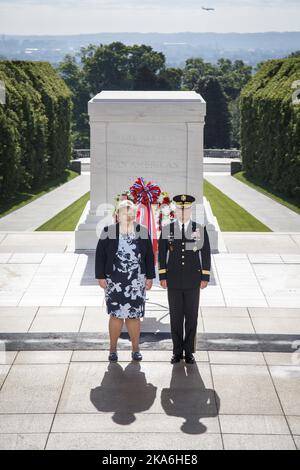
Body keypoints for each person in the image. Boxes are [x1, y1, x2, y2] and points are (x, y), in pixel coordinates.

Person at [95, 200, 155, 362]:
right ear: (117, 215)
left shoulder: (141, 231)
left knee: (133, 316)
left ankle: (136, 349)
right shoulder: (109, 231)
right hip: (114, 281)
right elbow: (100, 255)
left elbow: (149, 255)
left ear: (135, 215)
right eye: (124, 213)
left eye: (130, 214)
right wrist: (100, 276)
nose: (127, 217)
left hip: (136, 281)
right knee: (116, 316)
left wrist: (150, 277)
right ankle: (112, 349)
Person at [158, 194, 211, 364]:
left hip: (192, 280)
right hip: (173, 280)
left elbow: (205, 253)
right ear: (175, 210)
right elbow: (161, 254)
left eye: (186, 209)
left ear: (190, 210)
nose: (182, 212)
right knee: (175, 317)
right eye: (180, 209)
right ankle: (176, 351)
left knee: (191, 317)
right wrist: (163, 276)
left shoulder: (199, 229)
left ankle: (189, 352)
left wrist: (205, 276)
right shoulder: (168, 229)